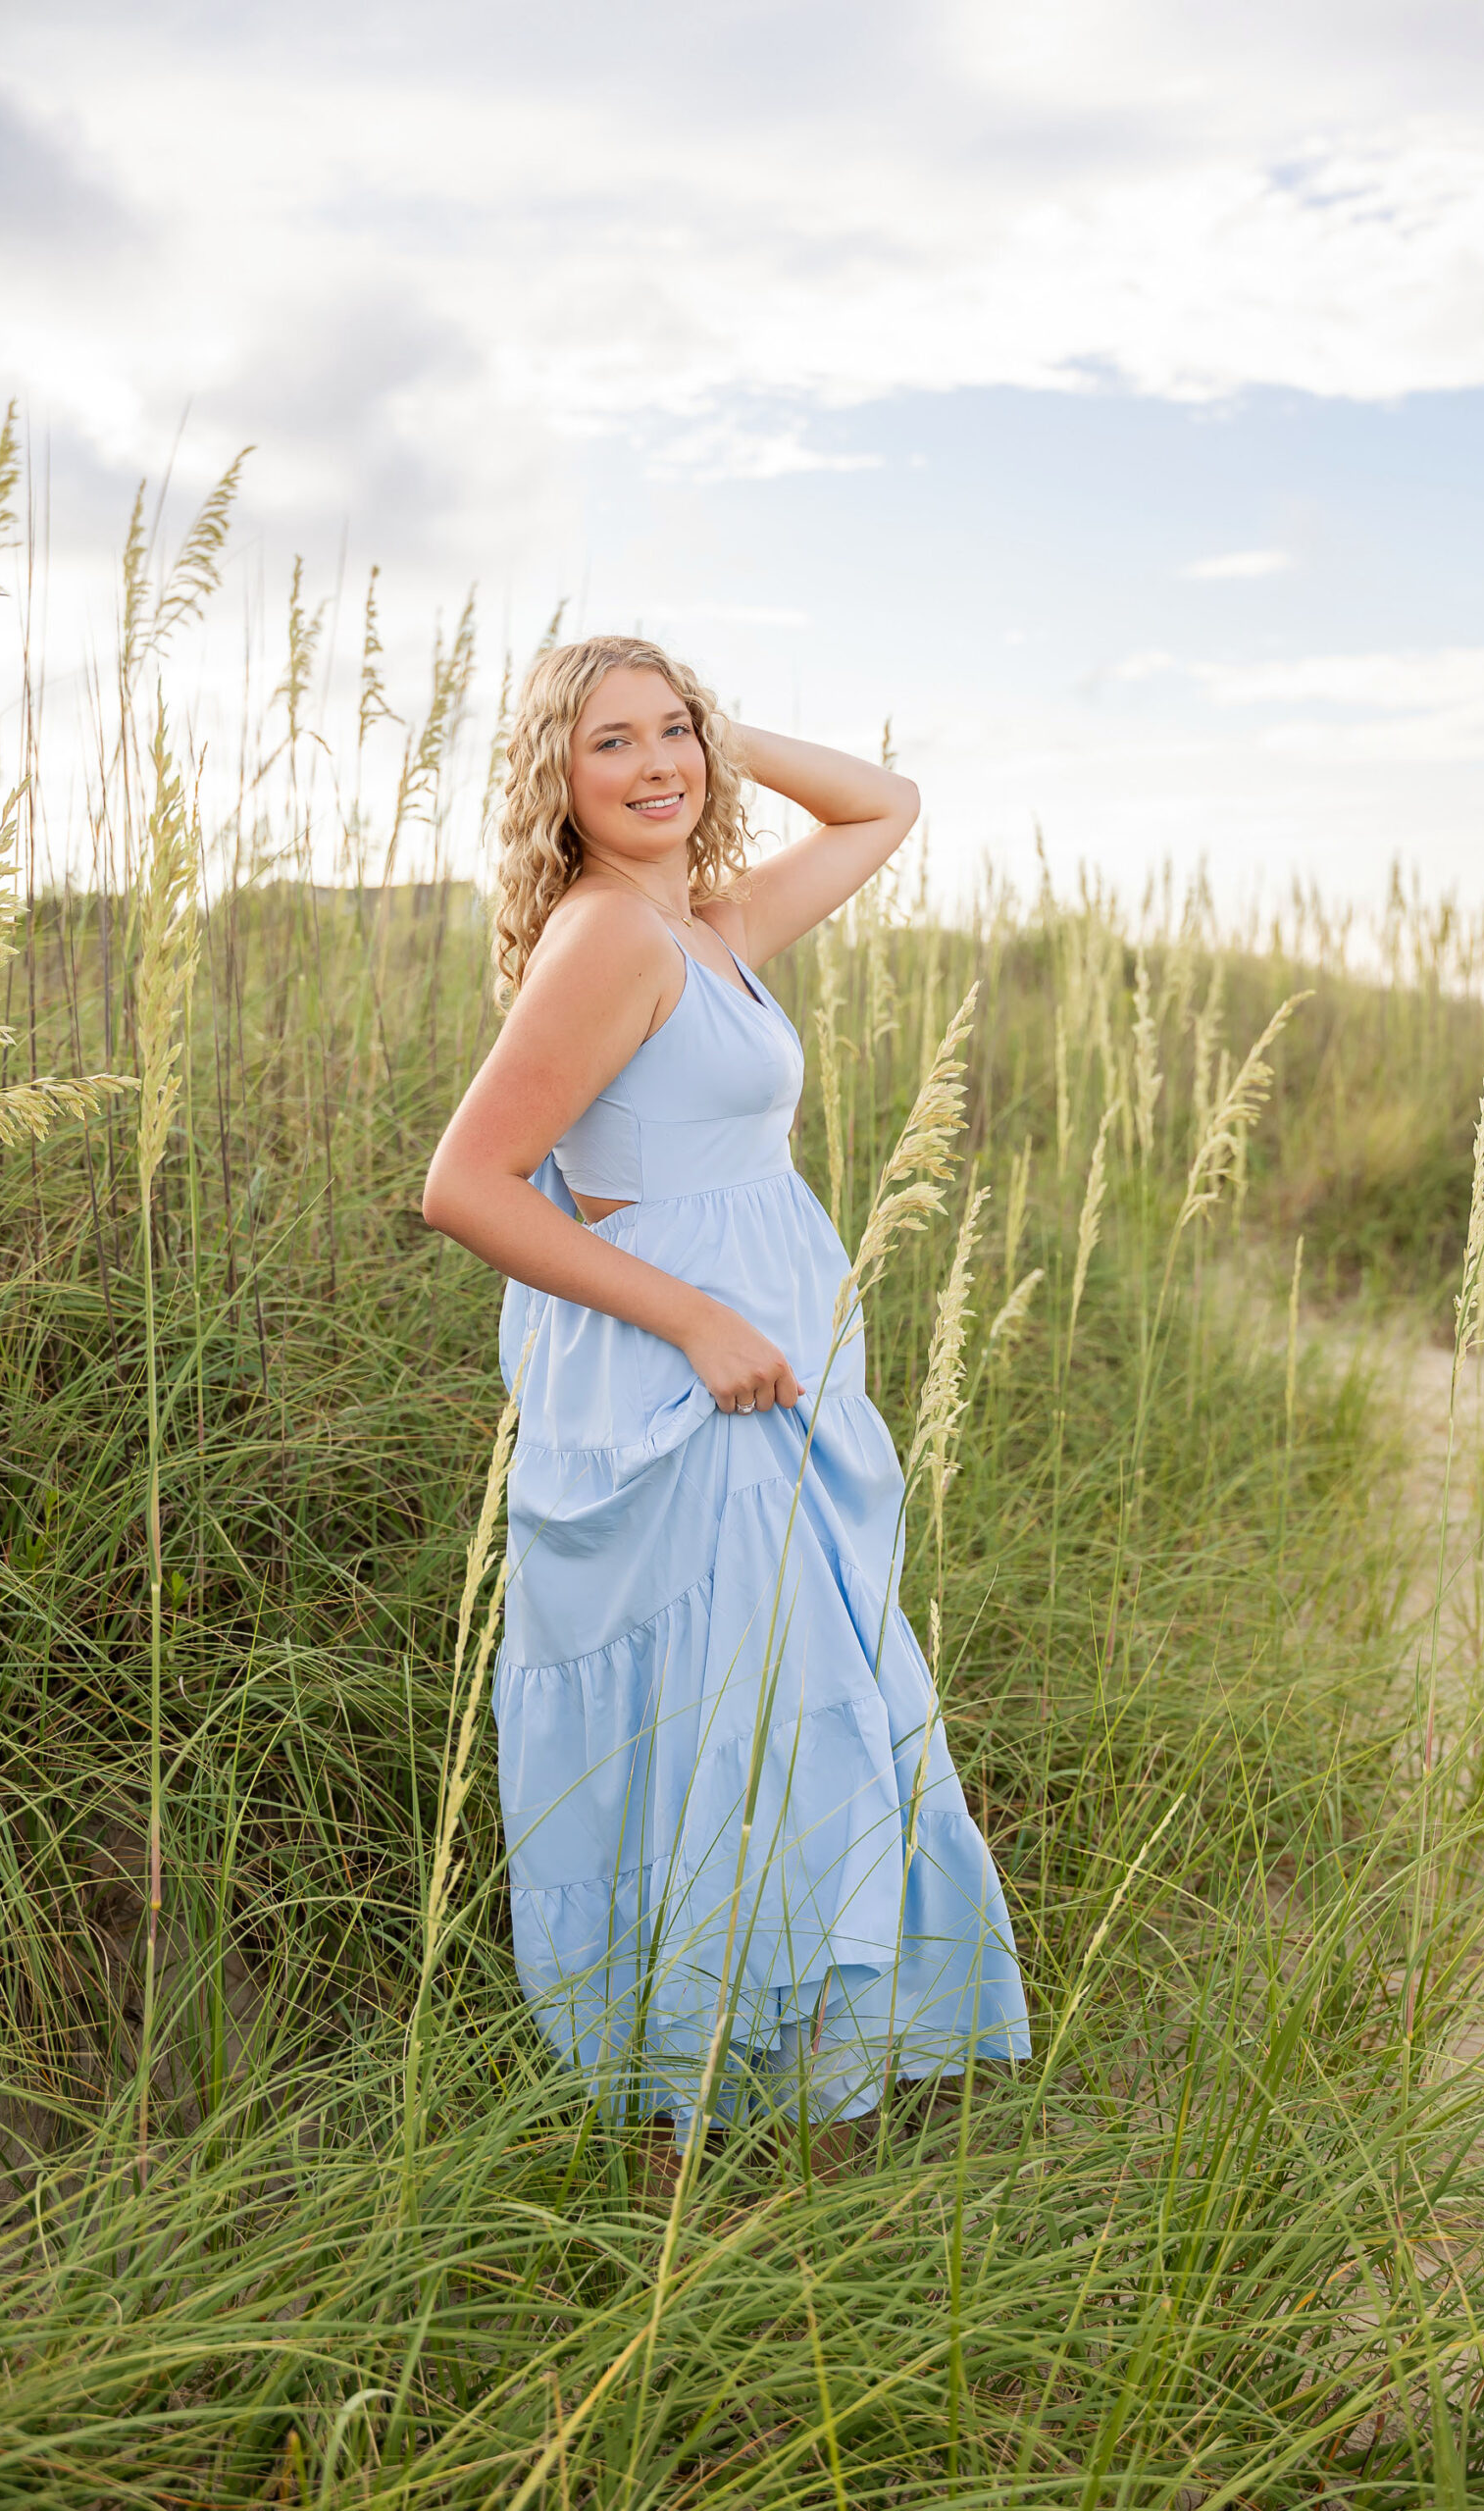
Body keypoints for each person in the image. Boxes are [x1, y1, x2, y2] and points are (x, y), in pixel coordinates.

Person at [423, 634, 1030, 2194]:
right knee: (735, 1742)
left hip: (773, 1385)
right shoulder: (610, 941)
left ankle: (798, 2151)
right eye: (610, 745)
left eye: (671, 735)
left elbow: (886, 807)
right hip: (684, 1398)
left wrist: (720, 737)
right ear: (555, 780)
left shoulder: (702, 924)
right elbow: (464, 1187)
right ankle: (692, 2179)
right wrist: (698, 1318)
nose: (655, 766)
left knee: (781, 1734)